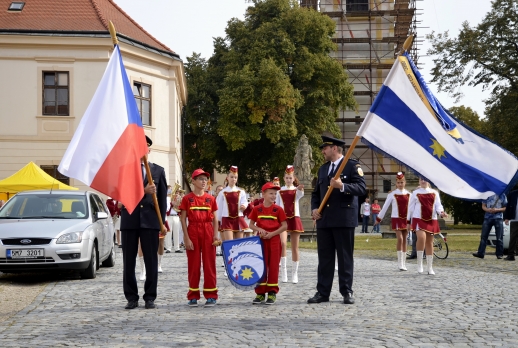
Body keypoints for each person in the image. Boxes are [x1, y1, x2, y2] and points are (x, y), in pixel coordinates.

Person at [308, 135, 366, 305]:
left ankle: (346, 291)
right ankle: (322, 292)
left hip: (343, 219)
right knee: (324, 258)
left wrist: (342, 186)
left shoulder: (351, 166)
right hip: (324, 220)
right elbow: (316, 193)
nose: (322, 151)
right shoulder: (323, 169)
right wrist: (314, 209)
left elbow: (361, 188)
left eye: (325, 148)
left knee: (344, 257)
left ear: (334, 148)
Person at [120, 135, 167, 310]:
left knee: (151, 261)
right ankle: (131, 297)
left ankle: (150, 297)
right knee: (128, 262)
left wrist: (162, 222)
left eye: (145, 148)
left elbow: (161, 200)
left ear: (148, 150)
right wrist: (143, 190)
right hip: (130, 219)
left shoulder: (158, 171)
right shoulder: (125, 169)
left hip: (150, 221)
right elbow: (123, 195)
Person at [179, 168, 219, 307]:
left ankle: (211, 295)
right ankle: (193, 295)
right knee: (194, 265)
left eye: (205, 179)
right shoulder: (187, 198)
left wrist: (215, 235)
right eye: (200, 179)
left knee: (209, 264)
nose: (204, 182)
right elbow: (183, 219)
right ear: (193, 181)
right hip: (193, 230)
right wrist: (186, 237)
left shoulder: (210, 198)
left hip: (208, 231)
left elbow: (215, 219)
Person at [248, 182, 287, 305]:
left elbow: (285, 225)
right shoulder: (257, 209)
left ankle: (272, 292)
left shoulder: (278, 209)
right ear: (263, 194)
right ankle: (260, 293)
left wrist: (273, 233)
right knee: (260, 265)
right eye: (271, 193)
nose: (273, 196)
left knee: (274, 266)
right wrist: (258, 229)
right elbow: (250, 225)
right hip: (260, 241)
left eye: (275, 194)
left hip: (274, 240)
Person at [407, 177, 447, 275]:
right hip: (418, 219)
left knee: (429, 242)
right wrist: (408, 221)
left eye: (425, 179)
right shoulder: (415, 193)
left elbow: (438, 206)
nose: (423, 181)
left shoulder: (435, 192)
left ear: (429, 181)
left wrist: (441, 213)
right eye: (421, 179)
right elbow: (410, 208)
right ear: (419, 181)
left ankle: (430, 267)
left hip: (431, 219)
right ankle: (419, 264)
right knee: (421, 238)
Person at [374, 172, 411, 270]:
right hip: (396, 218)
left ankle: (404, 262)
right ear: (396, 183)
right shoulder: (392, 194)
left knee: (405, 239)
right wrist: (379, 218)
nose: (400, 184)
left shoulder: (409, 194)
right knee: (400, 239)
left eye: (402, 182)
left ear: (405, 182)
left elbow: (413, 208)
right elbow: (385, 207)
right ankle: (399, 263)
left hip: (406, 219)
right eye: (398, 182)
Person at [276, 165, 304, 283]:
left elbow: (300, 195)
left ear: (293, 178)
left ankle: (295, 274)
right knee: (282, 243)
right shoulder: (279, 191)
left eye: (290, 178)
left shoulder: (296, 190)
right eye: (287, 178)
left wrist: (300, 189)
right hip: (283, 220)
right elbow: (277, 206)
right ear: (284, 178)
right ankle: (284, 272)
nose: (288, 180)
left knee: (295, 248)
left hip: (294, 218)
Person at [216, 166, 248, 241]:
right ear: (227, 177)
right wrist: (218, 221)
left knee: (239, 244)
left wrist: (244, 205)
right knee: (229, 243)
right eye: (232, 177)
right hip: (226, 219)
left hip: (239, 218)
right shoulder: (222, 192)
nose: (233, 179)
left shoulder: (241, 191)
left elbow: (245, 201)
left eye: (235, 177)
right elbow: (218, 207)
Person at [473, 193, 507, 259]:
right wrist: (488, 210)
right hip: (487, 217)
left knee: (499, 237)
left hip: (498, 217)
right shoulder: (487, 194)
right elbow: (483, 206)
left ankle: (499, 254)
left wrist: (497, 210)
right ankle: (481, 253)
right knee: (484, 236)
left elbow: (505, 208)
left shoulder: (502, 194)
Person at [504, 189, 518, 261]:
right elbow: (508, 206)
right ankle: (511, 255)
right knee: (513, 237)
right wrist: (506, 217)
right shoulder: (513, 194)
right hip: (514, 219)